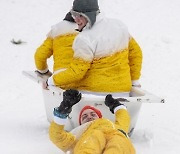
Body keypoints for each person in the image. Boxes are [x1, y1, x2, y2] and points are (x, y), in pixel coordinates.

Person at [44, 0, 142, 96]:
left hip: (94, 94)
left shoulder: (85, 39)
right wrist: (134, 81)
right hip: (123, 91)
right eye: (74, 14)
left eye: (80, 15)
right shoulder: (119, 26)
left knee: (68, 86)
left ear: (90, 15)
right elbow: (136, 53)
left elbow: (76, 73)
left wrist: (51, 81)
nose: (76, 19)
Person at [49, 89, 135, 154]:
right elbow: (57, 136)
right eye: (84, 116)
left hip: (117, 140)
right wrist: (63, 110)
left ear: (100, 117)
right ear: (80, 123)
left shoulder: (114, 126)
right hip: (89, 142)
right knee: (94, 137)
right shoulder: (78, 134)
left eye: (93, 114)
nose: (89, 117)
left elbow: (123, 118)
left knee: (118, 141)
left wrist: (116, 105)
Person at [34, 12, 79, 85]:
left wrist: (44, 72)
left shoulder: (56, 30)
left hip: (61, 79)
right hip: (88, 81)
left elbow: (40, 55)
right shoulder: (93, 31)